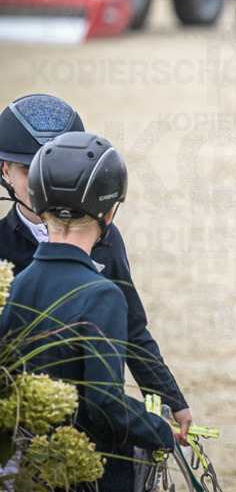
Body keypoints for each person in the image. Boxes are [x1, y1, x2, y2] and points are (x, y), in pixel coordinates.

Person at [0, 94, 191, 442]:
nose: (43, 181)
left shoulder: (106, 238)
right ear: (5, 171)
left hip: (93, 426)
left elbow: (132, 325)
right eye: (29, 171)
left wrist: (168, 395)